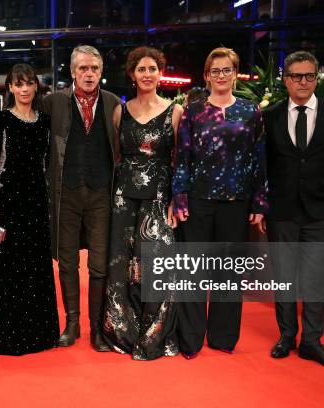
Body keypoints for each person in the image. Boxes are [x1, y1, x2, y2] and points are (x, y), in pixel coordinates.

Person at [172, 47, 267, 359]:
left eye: (227, 70)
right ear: (207, 76)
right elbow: (182, 158)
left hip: (237, 201)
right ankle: (190, 339)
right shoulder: (194, 111)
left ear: (235, 73)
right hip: (198, 200)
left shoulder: (251, 111)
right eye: (215, 71)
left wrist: (259, 202)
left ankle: (223, 337)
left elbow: (258, 159)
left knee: (229, 272)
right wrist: (180, 196)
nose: (221, 76)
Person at [263, 51, 324, 370]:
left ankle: (312, 342)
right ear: (285, 79)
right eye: (296, 76)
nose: (303, 82)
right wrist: (262, 205)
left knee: (315, 279)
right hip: (281, 209)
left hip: (322, 210)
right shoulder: (270, 115)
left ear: (316, 78)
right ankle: (287, 336)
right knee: (284, 278)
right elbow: (263, 164)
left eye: (309, 76)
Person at [102, 46, 183, 360]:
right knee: (121, 265)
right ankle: (123, 331)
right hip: (124, 198)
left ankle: (154, 335)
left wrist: (177, 199)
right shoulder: (120, 111)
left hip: (160, 198)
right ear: (132, 74)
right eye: (141, 69)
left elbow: (179, 161)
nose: (147, 74)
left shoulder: (175, 111)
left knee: (156, 264)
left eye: (152, 68)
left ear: (160, 73)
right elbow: (116, 157)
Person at [41, 45, 120, 351]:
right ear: (72, 72)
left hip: (101, 194)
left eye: (94, 69)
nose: (89, 74)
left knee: (100, 264)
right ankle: (71, 324)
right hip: (65, 194)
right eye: (83, 69)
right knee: (67, 262)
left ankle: (96, 329)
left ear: (101, 72)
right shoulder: (52, 103)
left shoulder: (114, 102)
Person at [0, 64, 59, 355]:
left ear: (36, 86)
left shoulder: (45, 121)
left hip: (37, 205)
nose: (24, 89)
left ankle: (40, 333)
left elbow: (47, 165)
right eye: (18, 84)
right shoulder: (1, 120)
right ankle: (10, 336)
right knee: (9, 272)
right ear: (10, 88)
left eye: (29, 83)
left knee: (37, 269)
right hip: (9, 205)